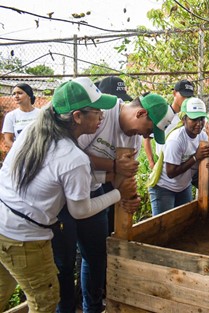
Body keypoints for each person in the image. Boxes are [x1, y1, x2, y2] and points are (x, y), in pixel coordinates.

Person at [0, 77, 139, 312]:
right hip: (24, 237)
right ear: (77, 116)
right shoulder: (73, 157)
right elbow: (80, 210)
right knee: (44, 300)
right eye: (97, 112)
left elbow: (61, 178)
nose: (102, 117)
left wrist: (107, 178)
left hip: (4, 221)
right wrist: (118, 193)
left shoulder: (36, 130)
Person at [52, 91, 174, 313]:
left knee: (96, 258)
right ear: (141, 113)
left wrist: (128, 197)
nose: (147, 137)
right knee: (64, 264)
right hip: (61, 198)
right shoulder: (101, 115)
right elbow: (69, 153)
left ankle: (93, 309)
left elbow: (121, 178)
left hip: (94, 190)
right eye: (149, 130)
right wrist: (114, 166)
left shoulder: (134, 139)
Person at [152, 97, 209, 215]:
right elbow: (171, 173)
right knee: (164, 226)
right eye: (194, 119)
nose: (199, 124)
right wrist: (195, 157)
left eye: (201, 119)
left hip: (183, 186)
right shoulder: (176, 140)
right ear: (184, 119)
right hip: (164, 188)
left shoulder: (203, 137)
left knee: (184, 222)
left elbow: (202, 164)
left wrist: (208, 166)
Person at [144, 79, 195, 213]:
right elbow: (147, 138)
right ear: (174, 94)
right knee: (162, 225)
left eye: (189, 96)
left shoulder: (191, 118)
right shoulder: (163, 114)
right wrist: (151, 162)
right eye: (183, 95)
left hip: (184, 183)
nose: (186, 99)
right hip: (164, 182)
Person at [97, 76, 134, 235]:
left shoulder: (130, 131)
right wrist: (114, 167)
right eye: (114, 100)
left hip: (110, 181)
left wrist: (131, 196)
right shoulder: (96, 121)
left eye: (121, 99)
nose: (118, 103)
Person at [2, 83, 40, 153]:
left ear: (29, 95)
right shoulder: (11, 116)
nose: (16, 96)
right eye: (14, 94)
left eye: (19, 93)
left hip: (39, 152)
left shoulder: (41, 114)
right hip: (20, 154)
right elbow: (8, 140)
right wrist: (20, 151)